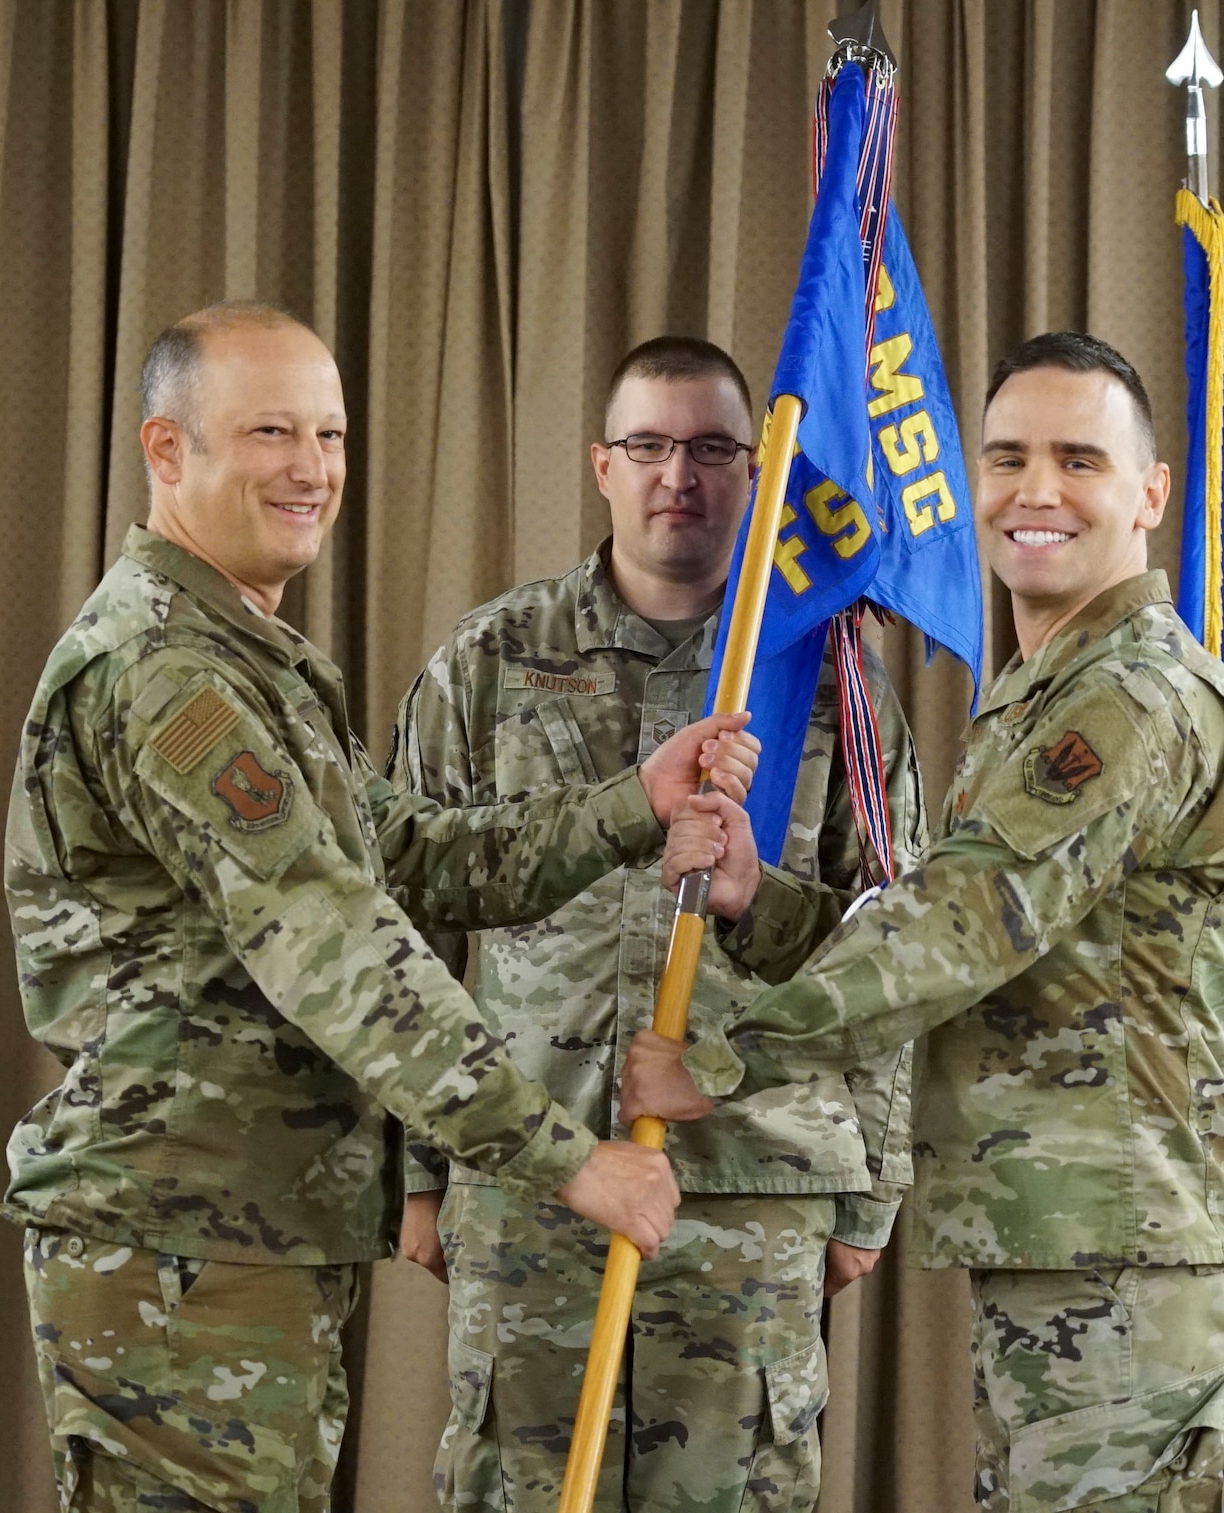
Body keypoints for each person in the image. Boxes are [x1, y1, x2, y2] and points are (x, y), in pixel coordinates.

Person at [0, 302, 757, 1513]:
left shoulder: (251, 655)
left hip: (252, 1230)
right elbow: (336, 944)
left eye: (331, 435)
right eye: (269, 433)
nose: (312, 469)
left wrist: (629, 807)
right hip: (182, 1248)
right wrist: (568, 1160)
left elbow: (397, 849)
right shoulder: (167, 676)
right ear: (165, 450)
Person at [624, 332, 1224, 1513]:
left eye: (1078, 459)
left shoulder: (1131, 697)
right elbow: (965, 940)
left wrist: (719, 1063)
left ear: (1151, 495)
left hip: (1123, 1272)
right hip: (1070, 1257)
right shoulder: (1045, 693)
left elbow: (963, 925)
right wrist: (756, 902)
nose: (1034, 492)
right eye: (1005, 459)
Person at [390, 336, 923, 1513]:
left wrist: (869, 1192)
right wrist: (417, 1174)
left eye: (712, 448)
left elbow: (899, 949)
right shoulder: (487, 662)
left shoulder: (828, 683)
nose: (676, 473)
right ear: (599, 464)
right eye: (648, 444)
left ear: (755, 472)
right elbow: (407, 925)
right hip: (533, 1171)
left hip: (750, 1187)